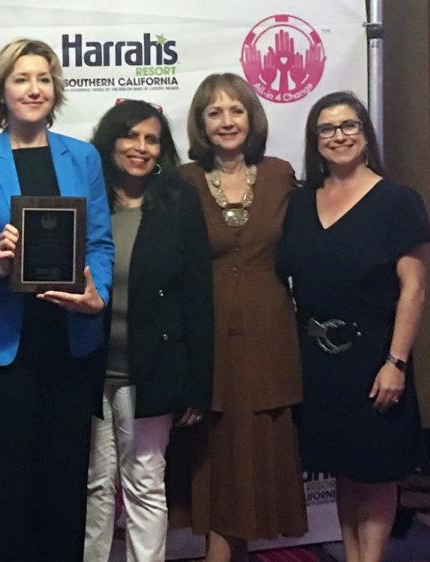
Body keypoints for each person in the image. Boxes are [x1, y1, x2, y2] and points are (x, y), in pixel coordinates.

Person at [0, 38, 114, 562]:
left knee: (65, 484)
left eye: (43, 78)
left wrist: (98, 295)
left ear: (55, 89)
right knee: (6, 487)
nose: (34, 89)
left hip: (70, 345)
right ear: (3, 89)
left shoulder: (82, 156)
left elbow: (100, 244)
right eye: (21, 79)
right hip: (4, 349)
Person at [277, 91, 430, 562]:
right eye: (327, 128)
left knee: (378, 472)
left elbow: (415, 289)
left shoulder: (399, 201)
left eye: (349, 126)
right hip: (320, 364)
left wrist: (395, 362)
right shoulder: (300, 204)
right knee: (343, 469)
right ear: (315, 139)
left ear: (365, 136)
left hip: (376, 359)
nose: (338, 135)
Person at [175, 73, 308, 561]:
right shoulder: (183, 181)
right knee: (215, 454)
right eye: (215, 112)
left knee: (256, 454)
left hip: (270, 336)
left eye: (236, 110)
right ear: (201, 123)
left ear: (252, 117)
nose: (227, 121)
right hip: (208, 336)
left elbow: (309, 250)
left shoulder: (279, 174)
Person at [83, 99, 212, 562]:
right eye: (130, 136)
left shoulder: (179, 204)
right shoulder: (85, 200)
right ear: (110, 141)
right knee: (94, 485)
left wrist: (197, 384)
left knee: (144, 481)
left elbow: (199, 297)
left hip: (154, 370)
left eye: (151, 139)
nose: (140, 148)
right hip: (89, 368)